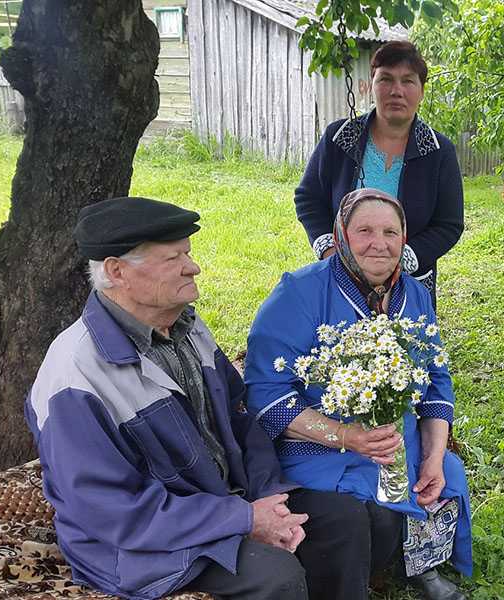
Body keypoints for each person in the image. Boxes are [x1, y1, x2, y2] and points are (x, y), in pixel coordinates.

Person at [24, 197, 310, 600]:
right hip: (137, 544)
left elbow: (239, 418)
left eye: (188, 254)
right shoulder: (75, 374)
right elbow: (112, 511)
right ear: (117, 271)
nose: (192, 267)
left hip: (219, 500)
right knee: (274, 575)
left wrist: (266, 494)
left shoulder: (188, 327)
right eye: (173, 258)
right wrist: (242, 518)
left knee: (338, 522)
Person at [246, 188, 471, 600]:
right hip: (319, 445)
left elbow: (437, 381)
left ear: (404, 239)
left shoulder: (416, 295)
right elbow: (266, 395)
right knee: (372, 501)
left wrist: (434, 456)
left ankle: (421, 561)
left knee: (443, 475)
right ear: (340, 236)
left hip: (394, 437)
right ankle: (393, 556)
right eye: (363, 230)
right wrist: (348, 437)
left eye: (390, 232)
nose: (379, 243)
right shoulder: (300, 292)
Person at [294, 41, 464, 306]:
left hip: (410, 282)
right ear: (371, 85)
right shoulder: (339, 138)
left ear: (421, 91)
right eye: (386, 79)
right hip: (341, 279)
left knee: (405, 346)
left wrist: (402, 260)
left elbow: (449, 224)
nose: (396, 91)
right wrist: (329, 250)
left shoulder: (438, 151)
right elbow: (308, 198)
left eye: (408, 81)